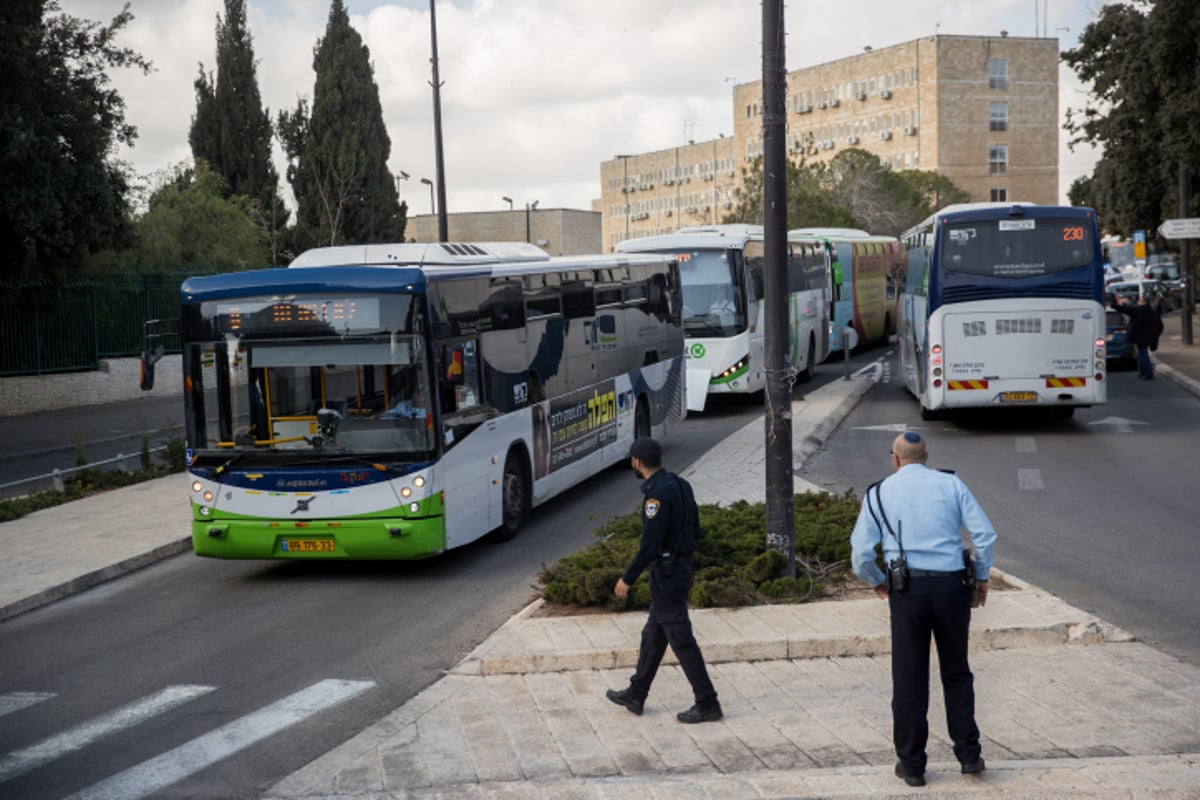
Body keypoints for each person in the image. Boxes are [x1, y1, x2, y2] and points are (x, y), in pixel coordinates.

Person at [849, 431, 996, 788]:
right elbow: (985, 535)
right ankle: (969, 755)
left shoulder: (879, 492)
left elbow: (861, 555)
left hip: (908, 590)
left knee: (909, 677)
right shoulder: (951, 484)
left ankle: (912, 765)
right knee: (957, 671)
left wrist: (876, 580)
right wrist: (981, 578)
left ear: (895, 459)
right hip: (951, 587)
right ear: (926, 456)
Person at [606, 436, 722, 724]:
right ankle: (636, 693)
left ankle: (707, 702)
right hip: (679, 568)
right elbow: (695, 526)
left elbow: (650, 544)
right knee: (653, 636)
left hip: (667, 575)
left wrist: (627, 578)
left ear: (636, 462)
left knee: (681, 640)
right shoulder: (681, 484)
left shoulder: (655, 495)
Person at [1112, 293, 1164, 380]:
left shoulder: (1139, 310)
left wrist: (1114, 306)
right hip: (1148, 337)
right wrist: (1155, 335)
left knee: (1143, 354)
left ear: (1143, 302)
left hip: (1141, 337)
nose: (1138, 302)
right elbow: (1160, 326)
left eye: (1139, 301)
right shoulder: (1152, 313)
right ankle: (1143, 372)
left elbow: (1126, 309)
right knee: (1142, 354)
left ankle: (1147, 372)